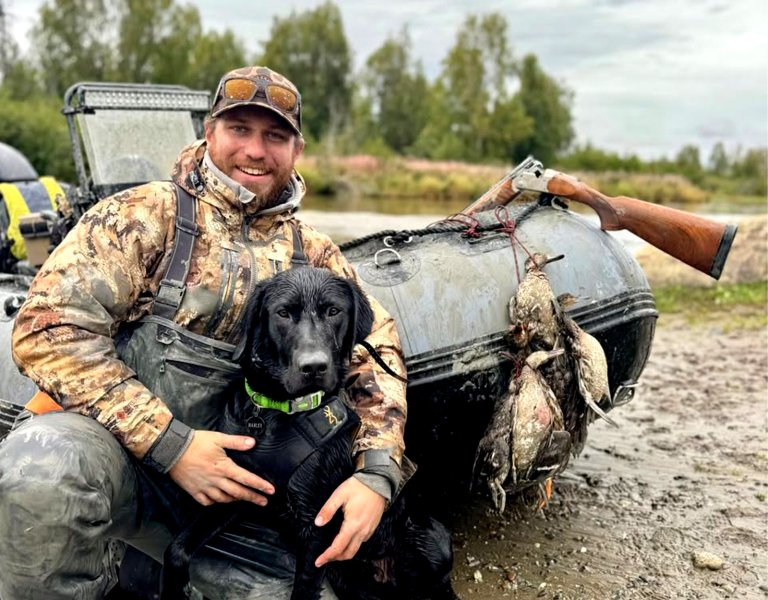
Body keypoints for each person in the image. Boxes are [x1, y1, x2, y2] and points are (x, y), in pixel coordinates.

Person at [0, 66, 408, 599]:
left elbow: (376, 357)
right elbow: (45, 329)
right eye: (240, 129)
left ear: (297, 149)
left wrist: (377, 473)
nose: (256, 151)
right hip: (124, 462)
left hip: (238, 495)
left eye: (275, 136)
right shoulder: (143, 216)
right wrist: (172, 444)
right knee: (39, 471)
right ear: (210, 132)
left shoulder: (317, 254)